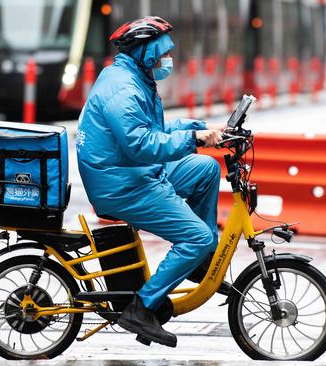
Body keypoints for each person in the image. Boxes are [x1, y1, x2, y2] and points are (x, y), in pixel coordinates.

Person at [76, 16, 224, 347]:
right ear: (143, 52)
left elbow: (154, 129)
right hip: (121, 183)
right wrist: (195, 139)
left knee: (205, 169)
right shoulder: (123, 89)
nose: (165, 61)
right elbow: (141, 144)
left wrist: (202, 128)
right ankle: (141, 309)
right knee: (197, 237)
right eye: (160, 55)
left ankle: (198, 264)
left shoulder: (134, 77)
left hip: (132, 171)